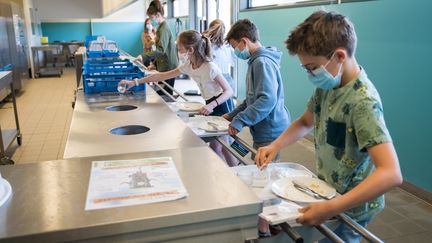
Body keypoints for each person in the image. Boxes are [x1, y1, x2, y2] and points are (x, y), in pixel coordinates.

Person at [255, 10, 402, 242]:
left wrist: (333, 208)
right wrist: (275, 144)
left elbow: (391, 173)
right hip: (328, 192)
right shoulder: (328, 86)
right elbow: (305, 121)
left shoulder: (362, 102)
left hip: (352, 206)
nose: (310, 74)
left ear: (339, 56)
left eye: (312, 67)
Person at [119, 29, 233, 119]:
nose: (179, 53)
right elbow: (161, 75)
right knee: (216, 144)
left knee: (220, 144)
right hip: (208, 102)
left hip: (221, 103)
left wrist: (212, 104)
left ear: (191, 50)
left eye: (180, 49)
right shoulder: (188, 65)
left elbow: (229, 91)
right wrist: (135, 82)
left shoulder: (210, 67)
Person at [223, 19, 291, 160]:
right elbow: (251, 99)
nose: (235, 51)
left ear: (244, 41)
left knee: (262, 169)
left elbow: (267, 99)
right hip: (262, 127)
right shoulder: (256, 61)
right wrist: (232, 115)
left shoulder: (262, 62)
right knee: (256, 161)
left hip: (270, 129)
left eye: (235, 47)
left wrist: (240, 120)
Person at [203, 19, 239, 166]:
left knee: (223, 135)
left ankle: (234, 167)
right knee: (220, 135)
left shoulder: (208, 47)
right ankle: (225, 166)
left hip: (218, 86)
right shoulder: (227, 48)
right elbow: (234, 61)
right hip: (227, 80)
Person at [146, 0, 178, 96]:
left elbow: (160, 50)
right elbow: (160, 50)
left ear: (158, 14)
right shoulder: (160, 27)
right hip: (165, 63)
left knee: (166, 93)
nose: (151, 20)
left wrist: (144, 56)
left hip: (169, 65)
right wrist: (154, 65)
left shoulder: (163, 28)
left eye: (152, 17)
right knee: (162, 91)